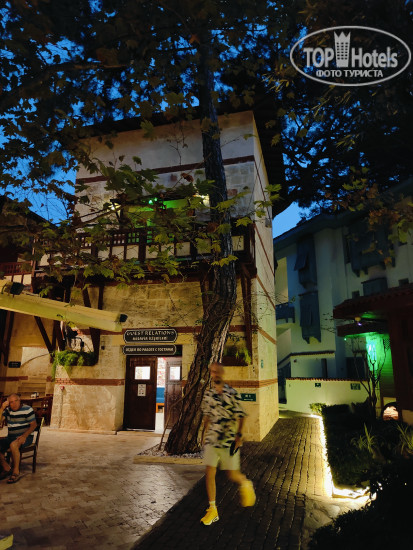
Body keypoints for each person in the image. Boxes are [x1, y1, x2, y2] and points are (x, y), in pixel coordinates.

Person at [200, 362, 256, 526]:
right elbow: (206, 417)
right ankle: (212, 509)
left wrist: (239, 435)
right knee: (209, 472)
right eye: (212, 372)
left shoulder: (232, 393)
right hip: (212, 439)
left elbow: (241, 415)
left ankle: (245, 483)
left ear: (222, 373)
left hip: (228, 441)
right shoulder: (208, 395)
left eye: (217, 371)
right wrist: (203, 435)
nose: (215, 374)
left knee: (232, 474)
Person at [0, 393, 37, 483]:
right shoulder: (7, 410)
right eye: (11, 402)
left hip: (26, 437)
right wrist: (2, 408)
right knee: (9, 443)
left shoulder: (27, 409)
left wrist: (24, 436)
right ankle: (7, 468)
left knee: (13, 445)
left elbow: (34, 425)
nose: (14, 404)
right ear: (8, 403)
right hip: (11, 437)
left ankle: (16, 472)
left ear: (19, 400)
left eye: (16, 401)